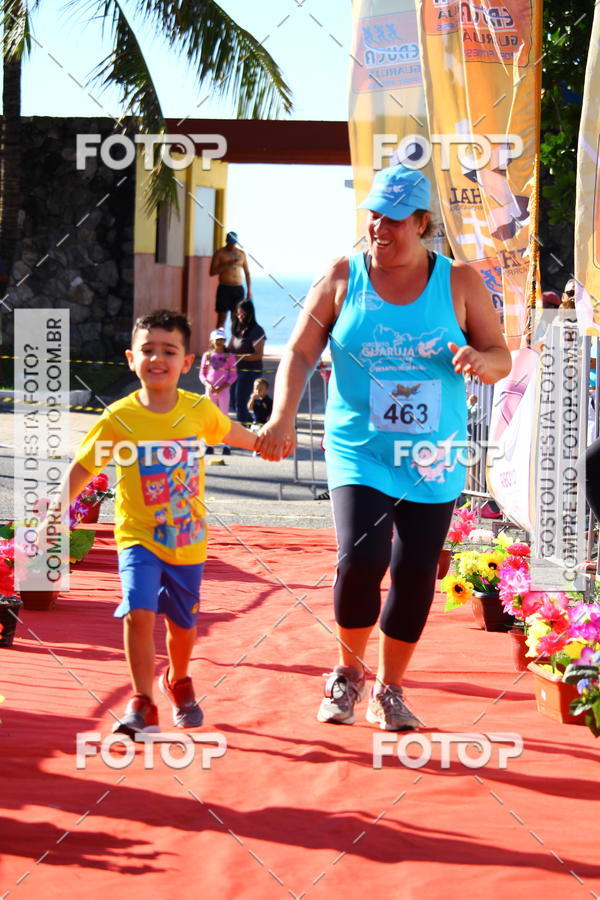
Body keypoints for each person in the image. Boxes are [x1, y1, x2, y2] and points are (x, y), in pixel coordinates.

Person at [258, 164, 512, 731]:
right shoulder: (341, 276)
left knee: (416, 570)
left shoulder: (459, 281)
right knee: (362, 558)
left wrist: (481, 361)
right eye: (374, 216)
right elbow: (299, 352)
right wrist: (281, 417)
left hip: (432, 454)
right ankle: (347, 675)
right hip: (361, 448)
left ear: (421, 223)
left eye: (394, 219)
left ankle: (389, 689)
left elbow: (501, 356)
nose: (379, 227)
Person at [41, 310, 259, 735]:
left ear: (187, 361)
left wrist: (265, 442)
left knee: (183, 625)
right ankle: (142, 703)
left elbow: (230, 432)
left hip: (186, 540)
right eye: (148, 350)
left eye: (169, 351)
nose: (157, 359)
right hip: (137, 536)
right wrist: (56, 512)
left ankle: (178, 679)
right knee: (138, 611)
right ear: (130, 358)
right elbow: (84, 466)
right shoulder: (118, 417)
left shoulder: (198, 409)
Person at [200, 327, 238, 456]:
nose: (219, 342)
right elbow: (202, 374)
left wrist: (223, 387)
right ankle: (209, 444)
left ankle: (226, 444)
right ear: (212, 341)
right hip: (210, 390)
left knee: (224, 417)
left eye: (222, 339)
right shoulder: (207, 355)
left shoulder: (229, 356)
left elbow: (233, 375)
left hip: (224, 391)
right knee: (210, 417)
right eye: (217, 340)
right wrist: (207, 384)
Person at [228, 298, 266, 427]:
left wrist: (237, 357)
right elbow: (230, 348)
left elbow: (258, 354)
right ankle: (252, 423)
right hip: (235, 371)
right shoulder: (237, 329)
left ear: (250, 314)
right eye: (238, 314)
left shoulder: (257, 331)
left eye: (243, 314)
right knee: (233, 401)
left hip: (250, 371)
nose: (240, 317)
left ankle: (245, 427)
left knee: (241, 401)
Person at [210, 231, 252, 330]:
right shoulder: (220, 253)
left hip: (238, 288)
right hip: (224, 288)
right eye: (230, 243)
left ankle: (234, 339)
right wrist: (228, 264)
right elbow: (212, 272)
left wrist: (249, 291)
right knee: (222, 317)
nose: (232, 246)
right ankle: (219, 339)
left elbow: (247, 273)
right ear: (226, 242)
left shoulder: (241, 254)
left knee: (236, 317)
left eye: (234, 243)